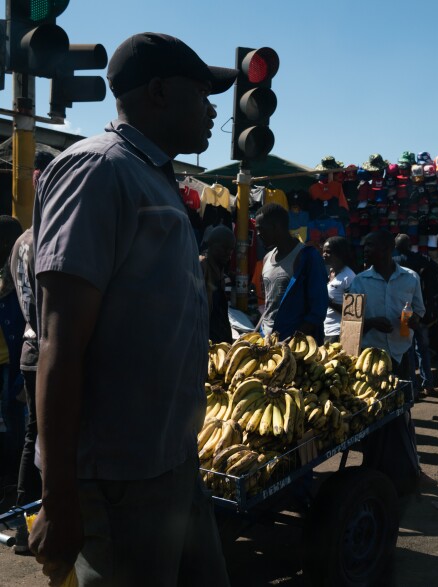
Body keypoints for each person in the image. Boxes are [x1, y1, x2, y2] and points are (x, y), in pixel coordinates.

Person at [29, 32, 234, 585]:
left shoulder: (155, 177)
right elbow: (60, 345)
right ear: (161, 93)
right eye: (203, 92)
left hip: (170, 464)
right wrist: (60, 502)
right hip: (119, 486)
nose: (214, 108)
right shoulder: (99, 171)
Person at [351, 231, 432, 492]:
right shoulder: (359, 282)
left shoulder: (410, 278)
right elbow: (349, 326)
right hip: (370, 361)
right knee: (372, 417)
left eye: (371, 245)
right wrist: (373, 323)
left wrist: (409, 321)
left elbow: (419, 312)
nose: (365, 250)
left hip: (400, 356)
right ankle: (372, 471)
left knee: (402, 416)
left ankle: (409, 471)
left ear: (386, 249)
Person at [10, 151, 54, 554]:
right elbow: (41, 310)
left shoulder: (23, 240)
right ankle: (30, 527)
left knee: (34, 437)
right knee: (44, 439)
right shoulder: (41, 240)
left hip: (30, 350)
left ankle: (26, 524)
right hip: (43, 352)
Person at [256, 203, 329, 343]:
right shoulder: (266, 259)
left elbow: (318, 311)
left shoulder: (308, 257)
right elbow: (270, 306)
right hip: (266, 341)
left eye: (261, 229)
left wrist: (292, 340)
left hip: (297, 347)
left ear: (276, 226)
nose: (258, 234)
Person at [393, 234, 438, 396]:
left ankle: (413, 387)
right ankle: (427, 384)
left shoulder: (392, 261)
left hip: (402, 312)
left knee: (408, 349)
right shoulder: (421, 259)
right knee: (422, 348)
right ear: (409, 245)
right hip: (419, 309)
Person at [0, 216, 25, 478]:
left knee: (13, 420)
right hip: (7, 361)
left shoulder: (18, 275)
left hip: (12, 362)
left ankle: (12, 478)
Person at [200, 225, 235, 343]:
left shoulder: (220, 272)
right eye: (224, 248)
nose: (228, 253)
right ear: (211, 245)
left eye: (230, 249)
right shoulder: (201, 268)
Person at [322, 236, 357, 344]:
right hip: (326, 330)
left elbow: (353, 312)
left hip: (338, 332)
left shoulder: (349, 277)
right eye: (323, 251)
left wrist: (328, 302)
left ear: (340, 253)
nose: (324, 255)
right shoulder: (330, 273)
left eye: (328, 252)